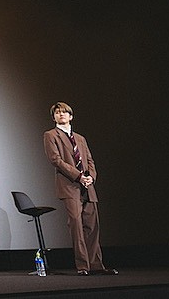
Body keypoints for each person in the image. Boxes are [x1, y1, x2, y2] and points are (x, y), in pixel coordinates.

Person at [43, 102, 118, 276]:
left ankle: (96, 265)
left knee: (92, 226)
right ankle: (83, 266)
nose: (61, 114)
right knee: (76, 225)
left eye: (64, 112)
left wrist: (91, 177)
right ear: (54, 117)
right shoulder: (50, 135)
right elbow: (56, 160)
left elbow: (89, 160)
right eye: (57, 112)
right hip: (70, 185)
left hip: (87, 186)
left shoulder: (80, 138)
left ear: (71, 116)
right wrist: (78, 176)